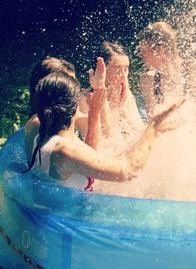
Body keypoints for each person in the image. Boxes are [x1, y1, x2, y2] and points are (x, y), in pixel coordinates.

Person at [24, 71, 182, 189]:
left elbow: (90, 159)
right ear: (74, 107)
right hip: (70, 227)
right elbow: (129, 170)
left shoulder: (40, 132)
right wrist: (153, 127)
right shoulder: (66, 152)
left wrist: (94, 114)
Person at [138, 21, 196, 125]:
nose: (141, 55)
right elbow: (153, 123)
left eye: (144, 50)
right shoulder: (148, 81)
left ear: (159, 50)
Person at [80, 41, 144, 146]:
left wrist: (122, 108)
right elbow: (108, 140)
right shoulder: (85, 99)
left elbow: (140, 131)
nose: (124, 76)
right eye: (118, 70)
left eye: (126, 69)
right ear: (101, 70)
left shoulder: (125, 95)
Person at [25, 57, 89, 157]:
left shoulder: (61, 115)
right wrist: (96, 113)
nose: (76, 93)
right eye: (70, 86)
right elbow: (89, 157)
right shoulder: (39, 123)